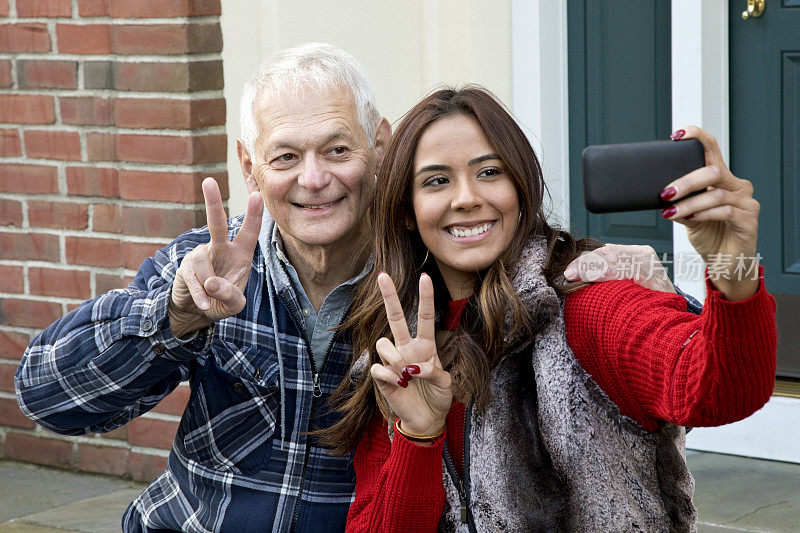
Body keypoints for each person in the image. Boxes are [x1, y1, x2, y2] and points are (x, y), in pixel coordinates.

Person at [16, 44, 684, 532]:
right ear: (251, 166)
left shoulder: (430, 279)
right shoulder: (205, 266)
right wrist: (173, 316)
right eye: (285, 156)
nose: (313, 179)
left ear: (382, 146)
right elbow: (46, 396)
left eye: (337, 150)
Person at [324, 87, 777, 531]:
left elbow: (715, 388)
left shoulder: (584, 297)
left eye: (489, 172)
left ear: (520, 188)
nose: (465, 198)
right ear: (407, 209)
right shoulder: (393, 351)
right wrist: (418, 435)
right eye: (437, 181)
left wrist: (734, 269)